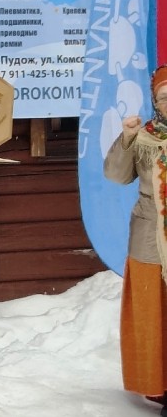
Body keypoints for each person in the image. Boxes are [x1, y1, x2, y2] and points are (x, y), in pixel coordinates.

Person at [103, 65, 167, 415]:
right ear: (155, 101)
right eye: (164, 96)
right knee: (153, 312)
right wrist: (126, 137)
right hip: (149, 237)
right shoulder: (143, 137)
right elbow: (116, 176)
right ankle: (160, 384)